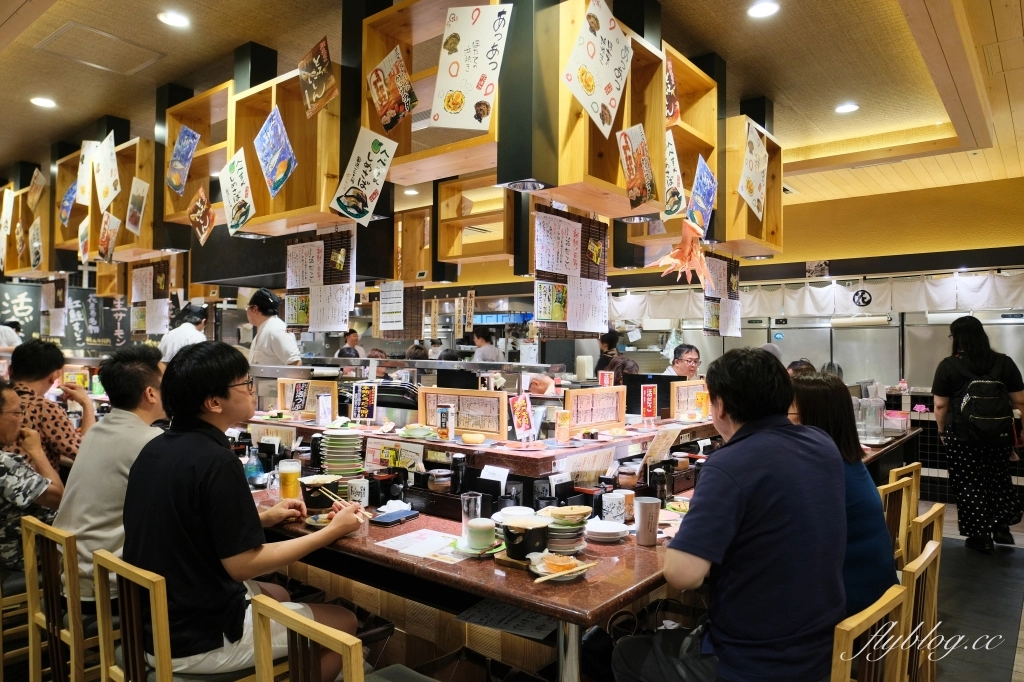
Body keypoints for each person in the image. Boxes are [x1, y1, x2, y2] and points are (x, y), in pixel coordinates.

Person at [123, 342, 364, 678]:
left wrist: (264, 518)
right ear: (213, 402)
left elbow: (187, 526)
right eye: (246, 384)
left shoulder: (156, 448)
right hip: (199, 638)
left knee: (278, 592)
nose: (253, 392)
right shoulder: (216, 460)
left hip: (156, 621)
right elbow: (241, 566)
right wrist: (332, 531)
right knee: (344, 623)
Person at [613, 348, 845, 682]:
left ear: (719, 405)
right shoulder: (820, 442)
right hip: (819, 643)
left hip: (759, 660)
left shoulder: (730, 464)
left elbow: (683, 575)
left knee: (624, 653)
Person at [53, 346, 166, 613]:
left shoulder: (97, 430)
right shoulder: (151, 442)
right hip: (106, 586)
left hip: (69, 574)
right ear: (150, 393)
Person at [790, 372, 898, 615]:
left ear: (813, 419)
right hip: (873, 590)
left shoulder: (821, 471)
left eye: (788, 414)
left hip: (851, 604)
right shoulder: (845, 460)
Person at [933, 316, 1024, 553]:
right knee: (998, 478)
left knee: (968, 483)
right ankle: (1001, 528)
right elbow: (1021, 402)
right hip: (1000, 436)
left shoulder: (948, 365)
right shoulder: (1004, 362)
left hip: (963, 438)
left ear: (958, 338)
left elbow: (941, 406)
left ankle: (980, 536)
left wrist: (942, 432)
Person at [0, 379, 63, 571]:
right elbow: (59, 498)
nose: (22, 420)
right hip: (21, 558)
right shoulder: (4, 465)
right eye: (17, 413)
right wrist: (37, 452)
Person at [9, 339, 95, 469]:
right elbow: (85, 453)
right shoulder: (44, 408)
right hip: (35, 487)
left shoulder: (4, 399)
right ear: (55, 375)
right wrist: (87, 404)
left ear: (10, 370)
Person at [246, 288, 301, 366]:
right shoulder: (265, 328)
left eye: (247, 307)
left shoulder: (276, 329)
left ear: (255, 309)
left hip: (275, 378)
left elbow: (296, 363)